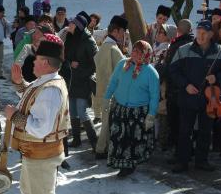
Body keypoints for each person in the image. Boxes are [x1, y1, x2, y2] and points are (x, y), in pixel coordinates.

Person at [5, 34, 69, 194]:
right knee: (28, 190)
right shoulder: (45, 83)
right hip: (34, 150)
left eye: (37, 59)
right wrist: (18, 82)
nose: (33, 62)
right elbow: (31, 95)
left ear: (46, 63)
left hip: (43, 152)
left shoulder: (51, 90)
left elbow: (42, 127)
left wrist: (14, 116)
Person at [167, 20, 221, 173]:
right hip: (188, 97)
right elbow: (173, 71)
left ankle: (202, 160)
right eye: (198, 32)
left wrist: (217, 77)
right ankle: (182, 161)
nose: (200, 36)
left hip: (209, 98)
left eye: (204, 33)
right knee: (185, 131)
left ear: (211, 34)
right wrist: (185, 85)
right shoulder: (184, 50)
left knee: (205, 130)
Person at [103, 40, 160, 177]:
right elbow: (113, 82)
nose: (135, 53)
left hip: (138, 112)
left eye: (139, 52)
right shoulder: (123, 64)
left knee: (131, 141)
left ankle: (129, 166)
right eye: (134, 50)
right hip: (120, 108)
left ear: (146, 54)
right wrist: (106, 98)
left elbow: (155, 96)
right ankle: (118, 161)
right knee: (117, 137)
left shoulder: (151, 73)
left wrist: (151, 115)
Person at [61, 11, 99, 153]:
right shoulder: (69, 38)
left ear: (78, 26)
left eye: (72, 23)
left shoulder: (89, 41)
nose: (69, 24)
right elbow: (64, 57)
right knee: (73, 112)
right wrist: (70, 63)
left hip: (83, 81)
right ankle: (76, 140)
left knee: (82, 112)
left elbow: (96, 64)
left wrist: (80, 67)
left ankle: (95, 143)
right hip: (71, 80)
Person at [93, 15, 128, 159]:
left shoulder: (103, 47)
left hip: (101, 90)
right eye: (123, 32)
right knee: (107, 123)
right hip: (111, 93)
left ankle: (103, 148)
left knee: (106, 122)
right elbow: (124, 70)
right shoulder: (113, 48)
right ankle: (101, 150)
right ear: (116, 31)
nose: (124, 35)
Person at [158, 19, 194, 154]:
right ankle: (187, 150)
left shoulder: (176, 46)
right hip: (190, 89)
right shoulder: (195, 45)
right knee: (187, 123)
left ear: (178, 30)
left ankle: (179, 152)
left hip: (175, 89)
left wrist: (159, 74)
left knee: (176, 123)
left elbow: (169, 68)